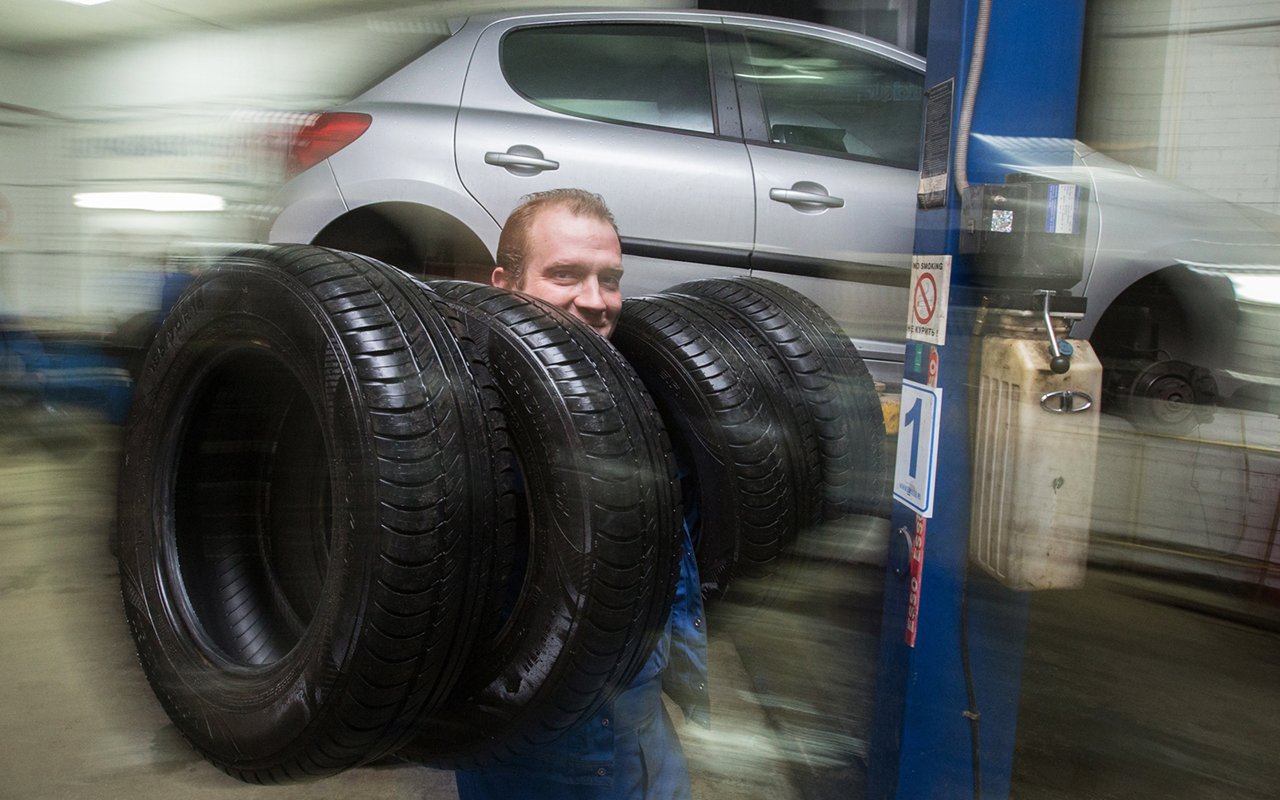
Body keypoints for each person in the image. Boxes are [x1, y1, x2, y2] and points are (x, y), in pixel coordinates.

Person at [454, 188, 709, 800]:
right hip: (541, 747)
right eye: (565, 274)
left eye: (610, 278)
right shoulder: (466, 423)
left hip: (642, 732)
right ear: (505, 283)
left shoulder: (630, 398)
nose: (595, 302)